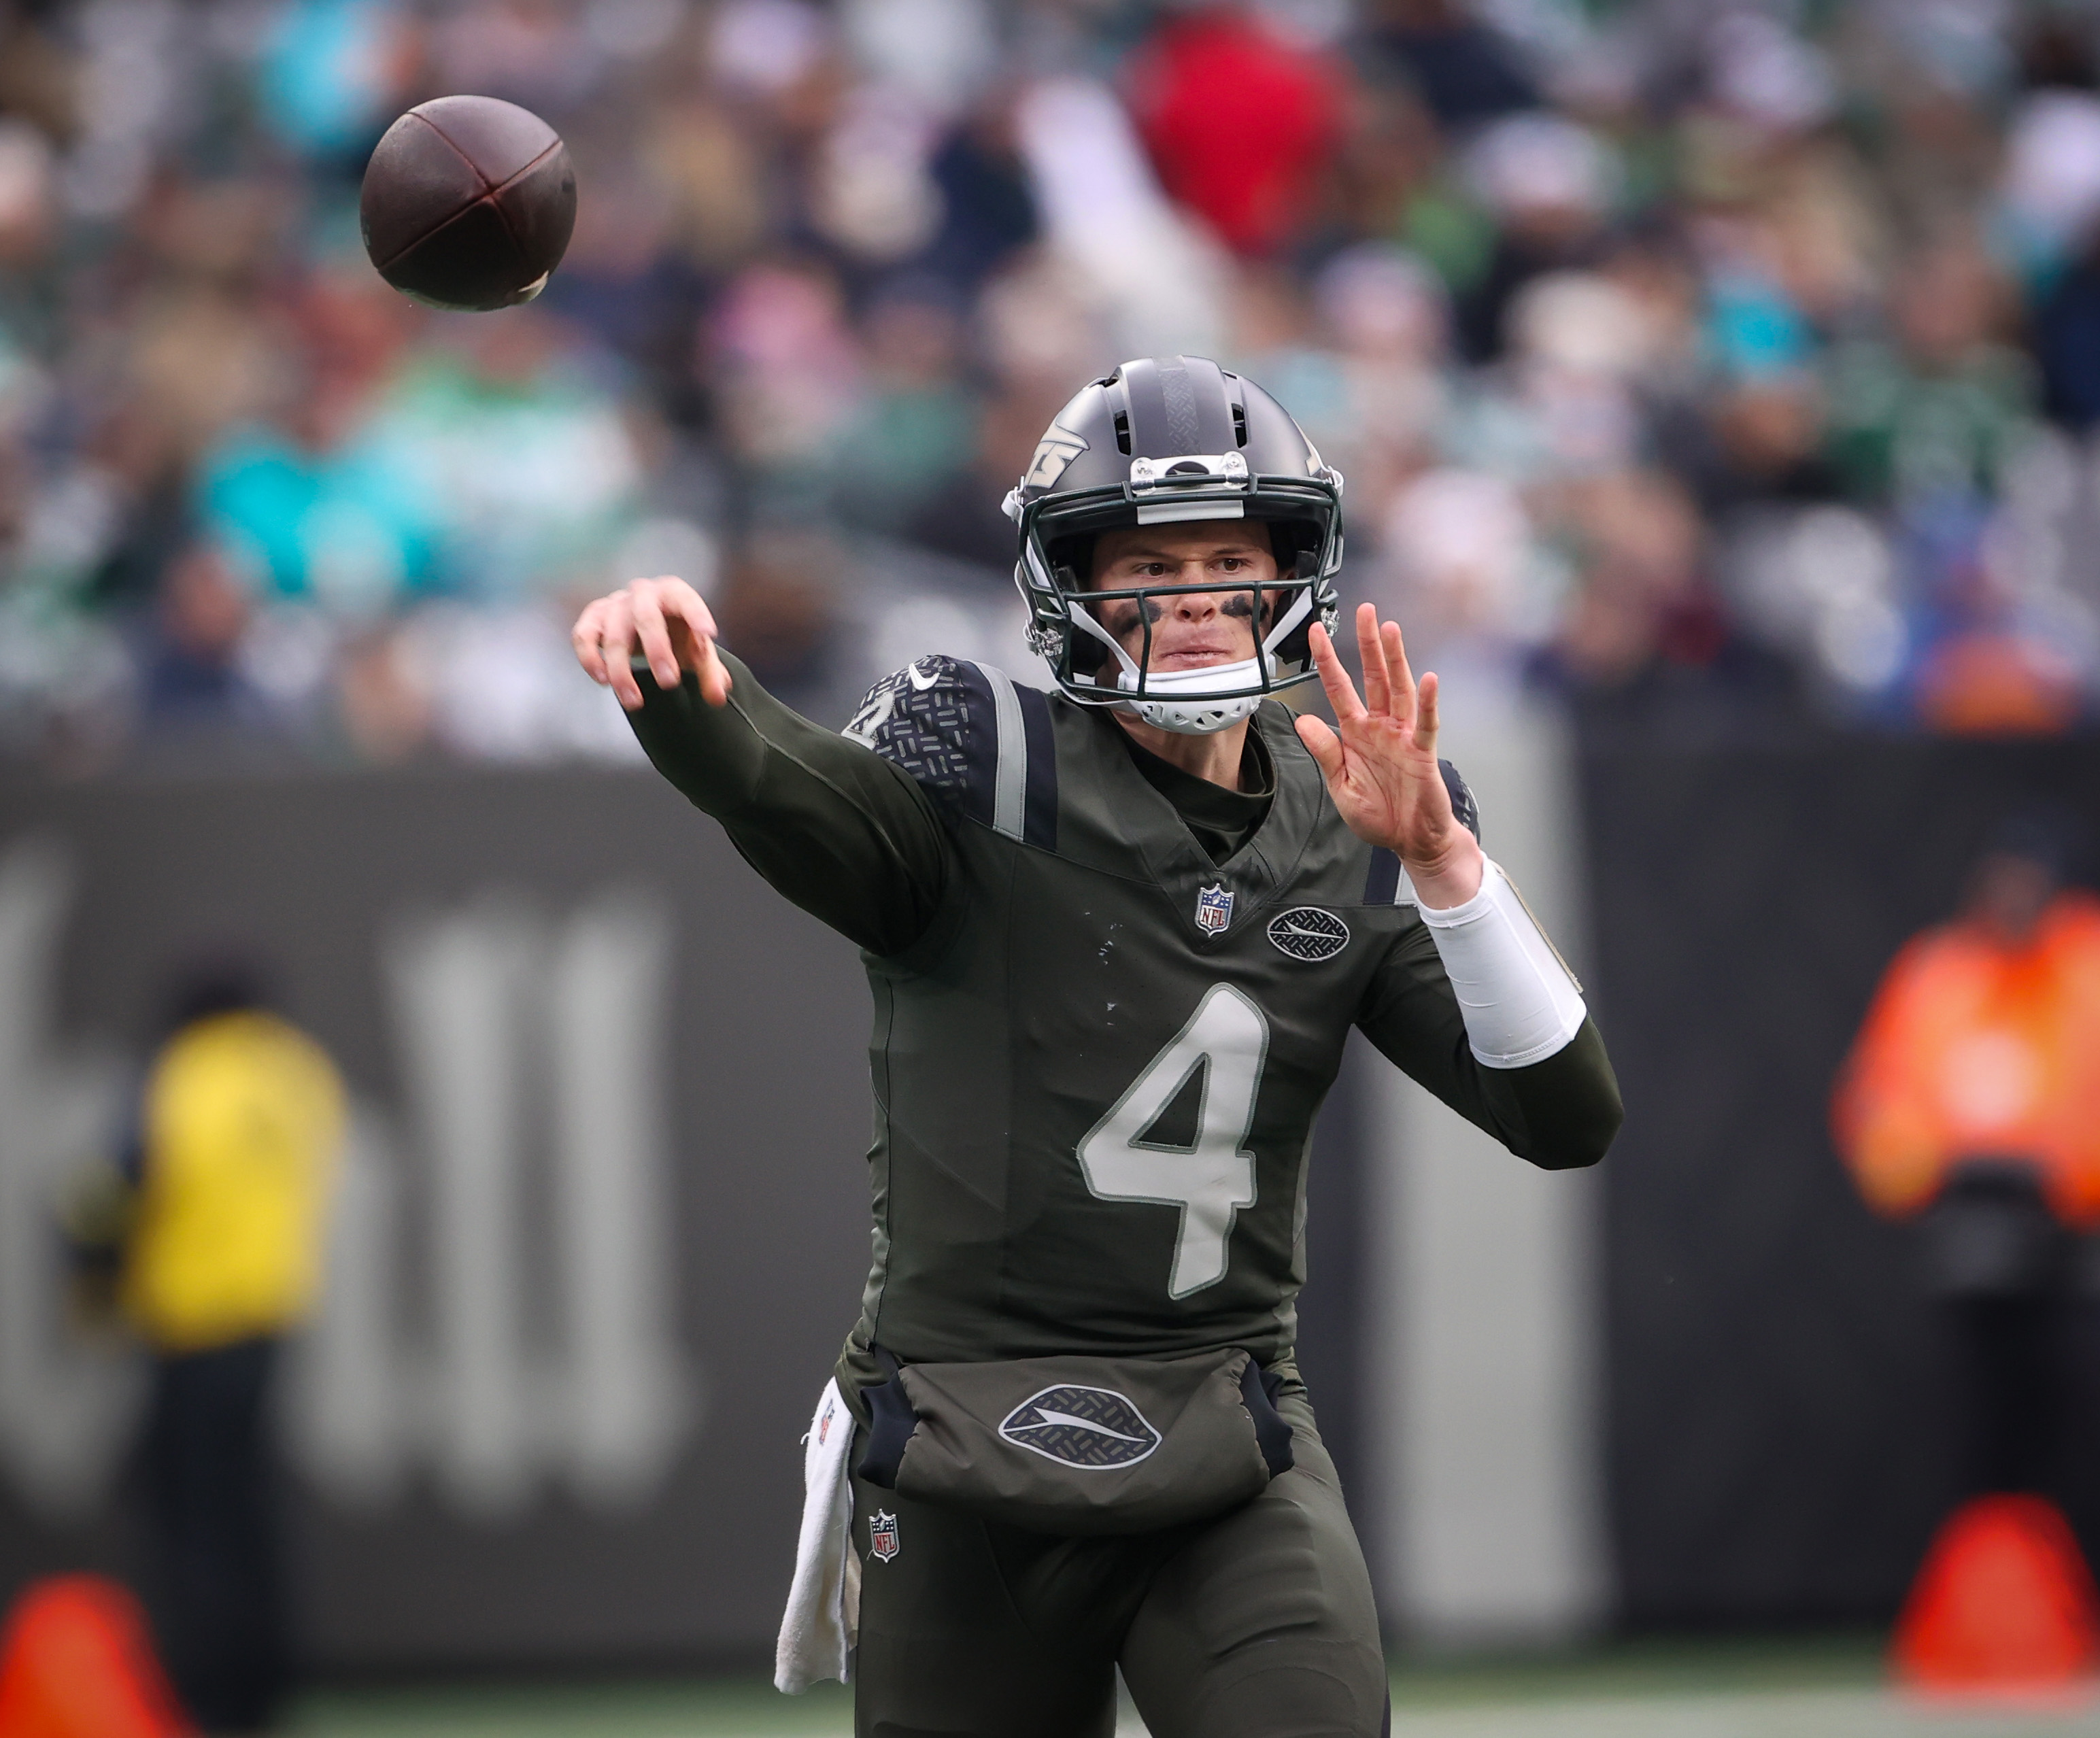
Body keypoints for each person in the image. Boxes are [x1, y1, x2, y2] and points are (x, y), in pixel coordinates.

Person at [573, 356, 1623, 1738]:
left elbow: (1562, 1115)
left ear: (1286, 575)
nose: (1189, 593)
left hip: (1226, 1436)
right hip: (960, 1445)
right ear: (1067, 578)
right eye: (1147, 560)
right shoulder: (981, 763)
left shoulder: (1356, 806)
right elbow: (788, 790)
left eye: (1226, 555)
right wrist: (686, 695)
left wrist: (1442, 862)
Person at [67, 961, 345, 1735]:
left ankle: (205, 1694)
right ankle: (265, 1687)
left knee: (193, 1521)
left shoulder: (180, 1078)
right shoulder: (298, 1074)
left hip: (190, 1329)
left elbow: (105, 1193)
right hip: (269, 1323)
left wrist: (91, 1282)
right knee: (251, 1515)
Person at [1834, 817, 2100, 1510]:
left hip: (2079, 1254)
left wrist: (2057, 1176)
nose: (2012, 896)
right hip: (1973, 1252)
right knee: (1983, 1444)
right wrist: (1937, 1168)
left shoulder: (2086, 967)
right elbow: (1878, 1104)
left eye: (2028, 878)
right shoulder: (1938, 973)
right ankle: (1998, 1599)